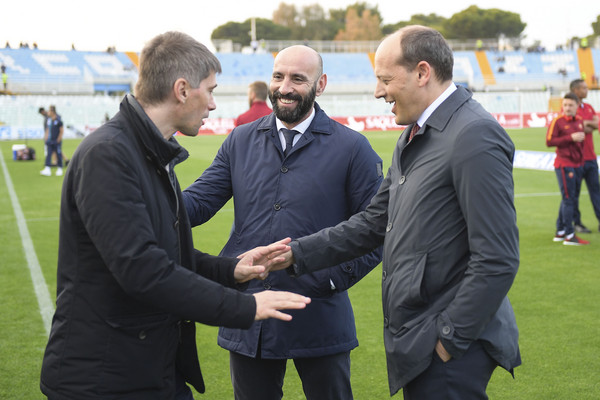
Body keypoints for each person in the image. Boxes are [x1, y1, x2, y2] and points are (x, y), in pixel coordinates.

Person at [39, 31, 311, 400]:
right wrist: (245, 307)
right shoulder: (108, 154)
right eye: (211, 91)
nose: (213, 105)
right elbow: (143, 269)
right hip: (105, 377)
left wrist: (230, 270)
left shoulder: (151, 152)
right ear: (182, 90)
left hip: (148, 366)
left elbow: (169, 254)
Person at [274, 26, 521, 399]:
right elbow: (373, 223)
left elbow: (498, 258)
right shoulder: (413, 135)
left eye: (385, 79)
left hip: (446, 344)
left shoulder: (473, 135)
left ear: (423, 73)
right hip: (419, 335)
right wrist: (293, 254)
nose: (377, 92)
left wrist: (449, 340)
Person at [183, 45, 383, 400]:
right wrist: (148, 200)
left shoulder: (353, 148)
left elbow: (378, 232)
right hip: (250, 311)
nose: (285, 87)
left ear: (320, 84)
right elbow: (198, 202)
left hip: (320, 312)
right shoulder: (241, 140)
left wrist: (332, 279)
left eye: (298, 79)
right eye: (278, 76)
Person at [547, 92, 589, 245]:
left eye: (571, 105)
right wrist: (570, 138)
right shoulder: (557, 121)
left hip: (577, 164)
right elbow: (549, 141)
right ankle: (570, 235)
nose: (567, 108)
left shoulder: (579, 120)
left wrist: (581, 161)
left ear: (577, 106)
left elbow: (581, 144)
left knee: (568, 198)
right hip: (564, 164)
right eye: (565, 105)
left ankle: (560, 231)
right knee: (569, 199)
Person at [570, 79, 600, 233]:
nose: (587, 90)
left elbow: (596, 125)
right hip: (575, 160)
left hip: (591, 158)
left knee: (597, 192)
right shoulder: (570, 108)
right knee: (574, 195)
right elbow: (576, 128)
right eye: (584, 88)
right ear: (576, 90)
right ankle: (577, 223)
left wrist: (584, 124)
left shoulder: (588, 107)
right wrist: (586, 125)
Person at [40, 105, 64, 176]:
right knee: (48, 154)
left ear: (53, 111)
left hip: (56, 141)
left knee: (58, 154)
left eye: (49, 110)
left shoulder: (58, 120)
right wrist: (46, 138)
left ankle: (60, 168)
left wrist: (58, 140)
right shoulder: (49, 120)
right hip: (49, 141)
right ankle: (47, 169)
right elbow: (47, 130)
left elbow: (61, 131)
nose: (48, 112)